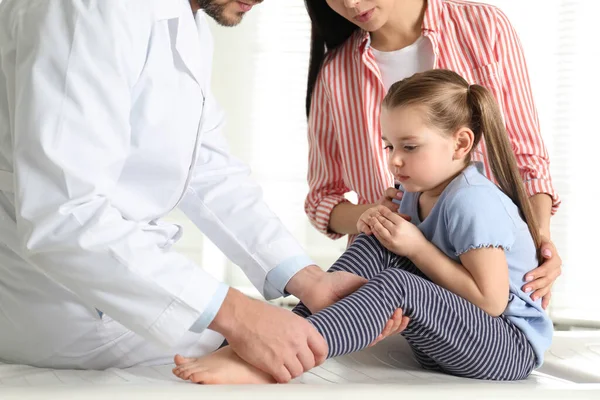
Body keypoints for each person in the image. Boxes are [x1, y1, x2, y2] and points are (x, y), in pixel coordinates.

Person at [0, 0, 404, 383]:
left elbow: (208, 170)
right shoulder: (85, 10)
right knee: (288, 354)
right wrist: (238, 316)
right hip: (64, 308)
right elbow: (66, 216)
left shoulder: (186, 20)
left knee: (298, 342)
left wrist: (308, 279)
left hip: (120, 284)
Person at [172, 69, 553, 384]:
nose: (395, 161)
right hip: (452, 339)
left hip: (506, 348)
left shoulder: (473, 201)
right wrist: (381, 226)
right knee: (376, 242)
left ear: (460, 143)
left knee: (401, 280)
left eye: (410, 147)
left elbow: (491, 301)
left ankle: (285, 356)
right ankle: (284, 335)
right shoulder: (415, 191)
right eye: (389, 147)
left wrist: (416, 247)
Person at [303, 0, 562, 309]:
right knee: (368, 253)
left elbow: (527, 161)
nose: (350, 3)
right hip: (388, 287)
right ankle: (290, 336)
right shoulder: (335, 73)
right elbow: (322, 198)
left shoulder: (483, 27)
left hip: (487, 280)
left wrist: (541, 239)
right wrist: (376, 216)